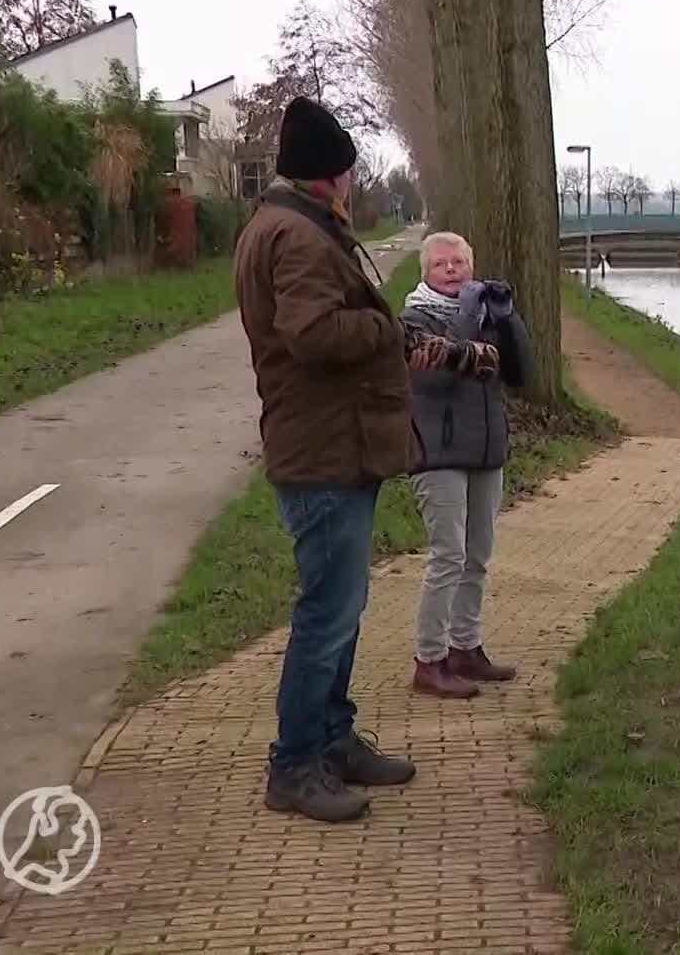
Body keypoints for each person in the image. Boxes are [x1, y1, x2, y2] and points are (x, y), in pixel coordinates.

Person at [233, 96, 456, 823]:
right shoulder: (296, 239)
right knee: (326, 612)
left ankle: (331, 739)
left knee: (343, 606)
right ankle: (295, 764)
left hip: (335, 445)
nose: (355, 180)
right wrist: (382, 327)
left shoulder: (288, 225)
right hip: (322, 451)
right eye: (350, 169)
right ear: (332, 177)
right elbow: (313, 334)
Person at [400, 231, 532, 698]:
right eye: (441, 264)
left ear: (472, 266)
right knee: (448, 555)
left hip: (485, 450)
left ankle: (466, 648)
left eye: (459, 262)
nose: (452, 269)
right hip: (437, 451)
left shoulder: (485, 312)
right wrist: (465, 320)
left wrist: (506, 316)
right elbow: (430, 381)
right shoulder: (413, 319)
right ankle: (429, 658)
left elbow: (519, 372)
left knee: (477, 556)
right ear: (426, 272)